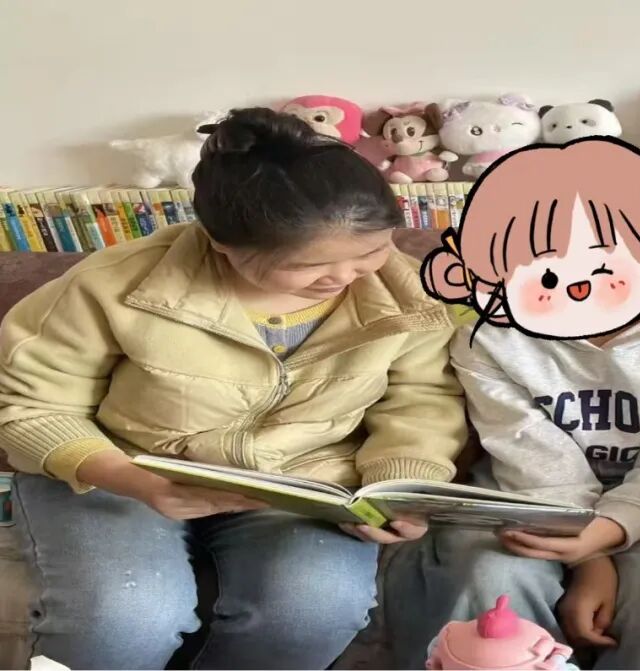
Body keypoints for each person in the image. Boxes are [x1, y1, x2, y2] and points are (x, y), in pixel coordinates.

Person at [0, 108, 468, 670]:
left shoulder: (410, 294)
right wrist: (131, 478)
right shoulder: (112, 285)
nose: (347, 277)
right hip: (116, 474)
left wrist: (396, 488)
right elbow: (29, 404)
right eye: (310, 266)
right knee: (124, 617)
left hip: (299, 484)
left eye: (371, 251)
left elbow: (422, 401)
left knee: (313, 609)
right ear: (221, 244)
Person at [383, 137, 640, 669]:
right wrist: (591, 557)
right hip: (525, 492)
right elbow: (524, 447)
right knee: (487, 582)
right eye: (548, 273)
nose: (579, 289)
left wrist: (611, 530)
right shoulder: (488, 341)